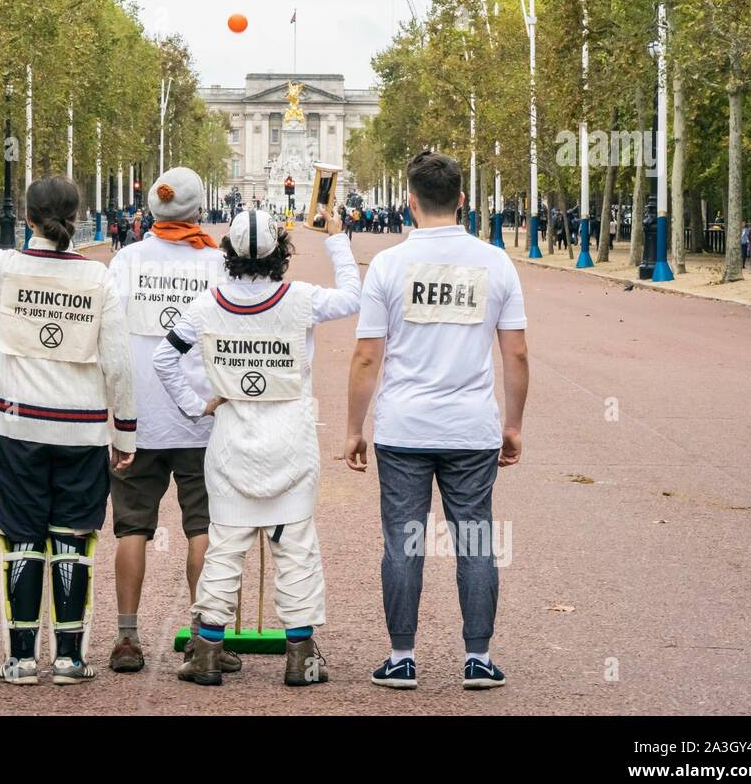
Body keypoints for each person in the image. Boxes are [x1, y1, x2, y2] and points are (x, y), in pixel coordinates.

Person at [344, 149, 529, 691]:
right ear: (463, 200)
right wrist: (512, 424)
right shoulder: (496, 262)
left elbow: (365, 357)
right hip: (471, 426)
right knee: (474, 540)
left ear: (410, 202)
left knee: (403, 541)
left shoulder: (388, 265)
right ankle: (478, 657)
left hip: (404, 426)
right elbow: (515, 354)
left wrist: (354, 427)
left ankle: (402, 656)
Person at [154, 207, 360, 688]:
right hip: (290, 437)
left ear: (228, 254)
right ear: (279, 254)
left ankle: (206, 650)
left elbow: (166, 358)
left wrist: (195, 405)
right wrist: (336, 240)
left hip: (230, 437)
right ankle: (301, 654)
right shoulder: (301, 298)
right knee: (296, 551)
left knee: (224, 548)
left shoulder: (208, 304)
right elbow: (354, 297)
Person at [0, 177, 136, 686]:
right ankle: (69, 657)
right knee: (73, 540)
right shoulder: (98, 279)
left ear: (30, 219)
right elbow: (119, 366)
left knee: (21, 537)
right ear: (75, 217)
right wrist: (125, 433)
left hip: (19, 427)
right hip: (81, 431)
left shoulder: (10, 269)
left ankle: (20, 658)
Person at [105, 168, 239, 676]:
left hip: (137, 416)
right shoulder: (217, 263)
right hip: (201, 417)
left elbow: (110, 336)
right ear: (198, 210)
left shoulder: (127, 260)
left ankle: (126, 637)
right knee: (203, 528)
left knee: (132, 529)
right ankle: (204, 637)